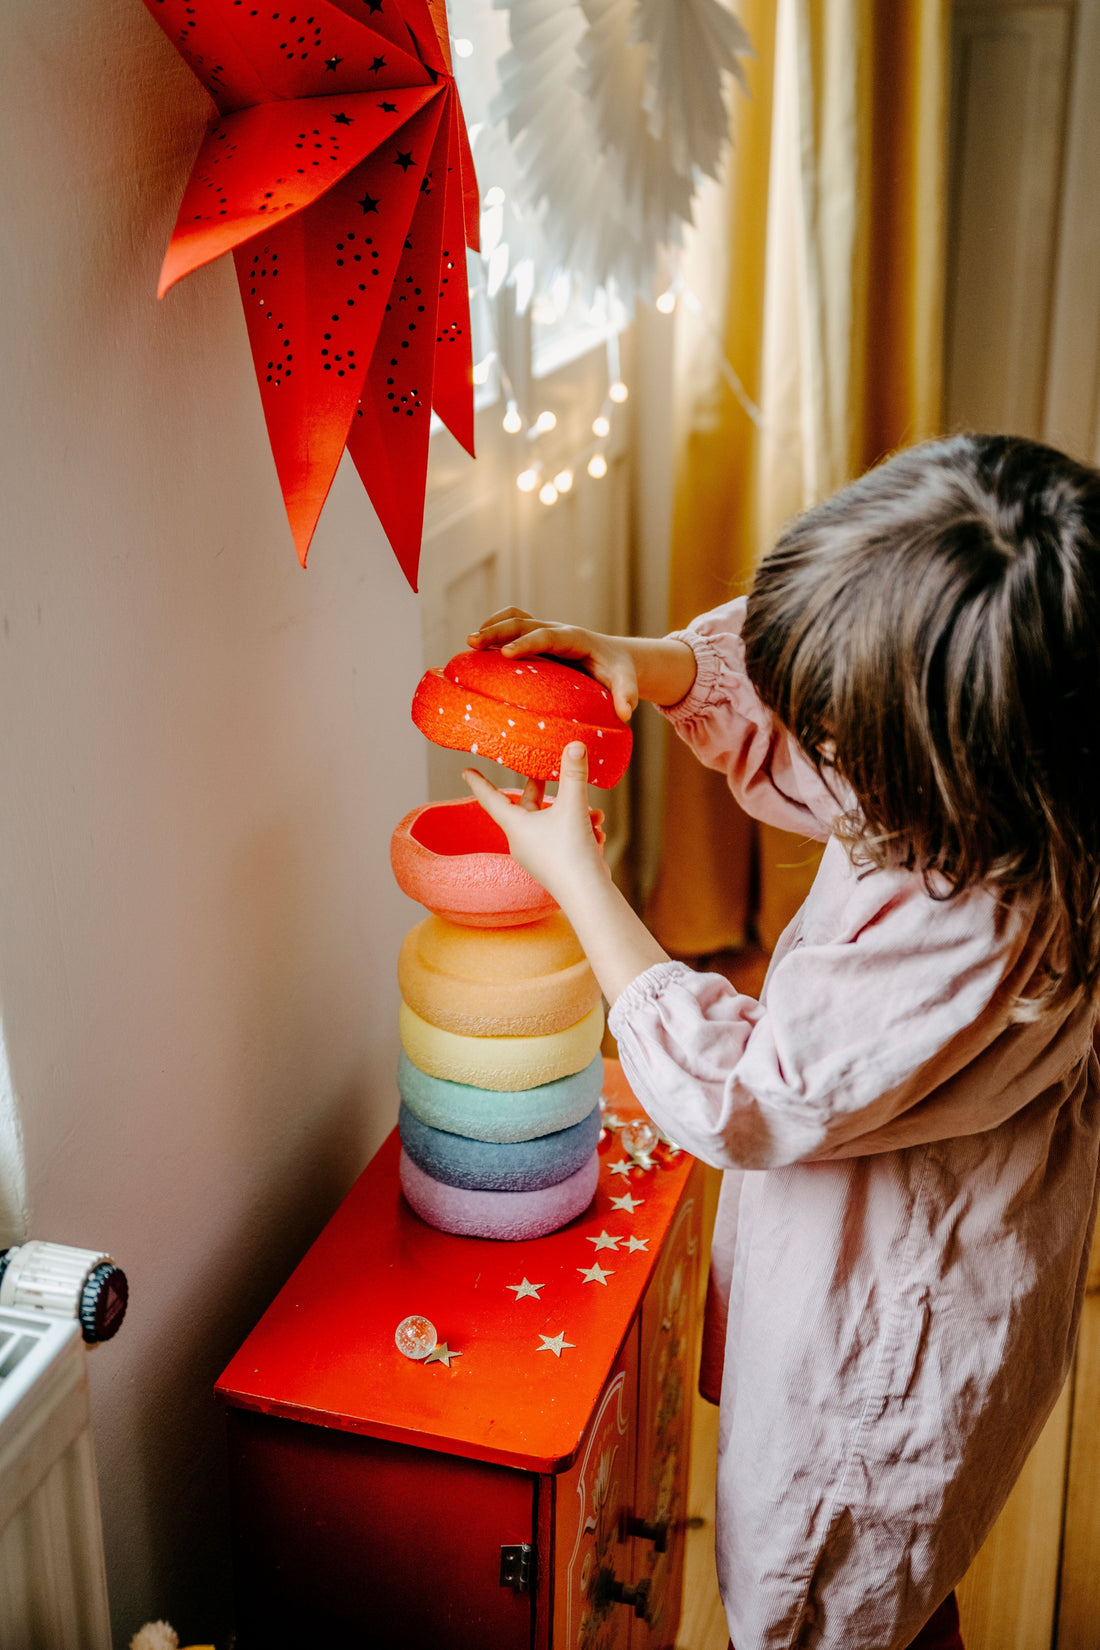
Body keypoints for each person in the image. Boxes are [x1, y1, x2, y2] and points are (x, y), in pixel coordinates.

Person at [461, 433, 1100, 1650]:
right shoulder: (1024, 780)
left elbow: (742, 1094)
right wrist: (644, 665)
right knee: (897, 1599)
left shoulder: (969, 928)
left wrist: (580, 884)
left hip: (886, 1343)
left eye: (832, 733)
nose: (796, 738)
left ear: (941, 781)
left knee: (823, 1597)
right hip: (908, 1236)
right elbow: (804, 677)